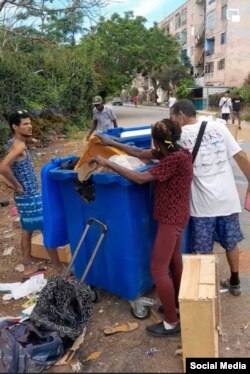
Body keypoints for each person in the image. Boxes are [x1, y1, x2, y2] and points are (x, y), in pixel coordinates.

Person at [91, 119, 193, 338]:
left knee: (158, 269)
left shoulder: (172, 159)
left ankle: (170, 323)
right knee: (174, 263)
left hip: (170, 218)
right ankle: (175, 304)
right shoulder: (176, 152)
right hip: (178, 215)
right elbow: (137, 152)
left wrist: (108, 163)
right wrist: (111, 142)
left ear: (157, 140)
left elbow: (140, 178)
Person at [170, 99, 250, 296]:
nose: (173, 122)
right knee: (231, 243)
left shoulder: (177, 137)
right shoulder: (217, 127)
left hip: (202, 206)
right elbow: (241, 156)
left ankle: (206, 292)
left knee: (203, 250)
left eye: (173, 118)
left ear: (181, 115)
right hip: (228, 200)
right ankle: (235, 281)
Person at [0, 110, 65, 279]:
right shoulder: (19, 146)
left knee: (27, 230)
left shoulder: (12, 143)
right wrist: (17, 185)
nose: (30, 126)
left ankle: (28, 266)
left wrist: (14, 187)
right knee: (46, 228)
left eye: (30, 123)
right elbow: (3, 168)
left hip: (24, 197)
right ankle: (59, 269)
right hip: (30, 197)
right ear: (15, 126)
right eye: (25, 124)